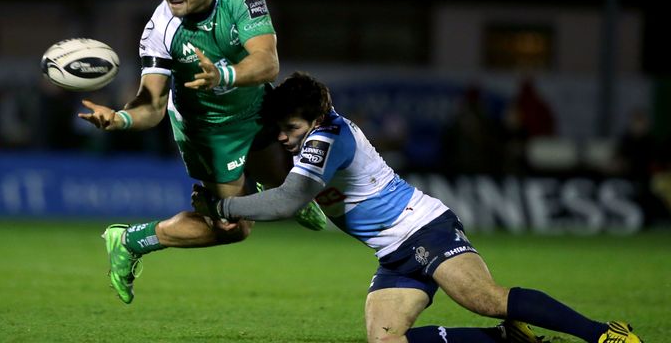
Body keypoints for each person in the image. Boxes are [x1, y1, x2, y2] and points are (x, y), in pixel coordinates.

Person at [192, 72, 643, 343]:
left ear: (313, 119)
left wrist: (223, 206)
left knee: (486, 299)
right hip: (394, 253)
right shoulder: (309, 132)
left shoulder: (326, 137)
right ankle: (503, 339)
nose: (284, 138)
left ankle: (604, 332)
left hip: (423, 229)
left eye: (290, 128)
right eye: (280, 130)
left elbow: (289, 200)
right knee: (386, 339)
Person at [77, 0, 326, 304]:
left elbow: (267, 62)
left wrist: (223, 74)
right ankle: (129, 240)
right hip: (208, 132)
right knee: (233, 228)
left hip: (255, 107)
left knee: (283, 176)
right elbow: (152, 104)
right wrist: (119, 120)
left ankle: (282, 194)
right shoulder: (161, 27)